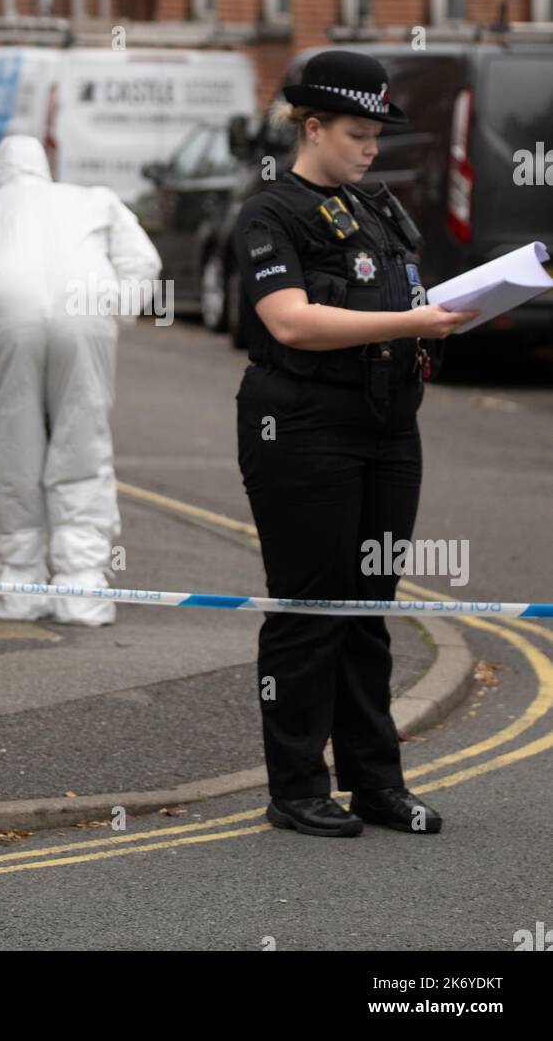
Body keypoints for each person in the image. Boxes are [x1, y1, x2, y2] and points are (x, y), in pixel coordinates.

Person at [233, 50, 478, 838]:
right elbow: (291, 321)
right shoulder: (270, 212)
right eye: (356, 133)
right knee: (311, 611)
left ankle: (375, 782)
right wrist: (414, 322)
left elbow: (407, 300)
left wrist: (448, 312)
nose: (371, 148)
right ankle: (297, 787)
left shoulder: (375, 208)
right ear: (311, 126)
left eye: (376, 133)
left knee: (368, 611)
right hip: (301, 427)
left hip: (385, 428)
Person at [0, 134, 162, 626]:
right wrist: (115, 312)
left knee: (14, 449)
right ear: (45, 167)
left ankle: (19, 586)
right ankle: (82, 589)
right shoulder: (95, 200)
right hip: (86, 311)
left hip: (5, 323)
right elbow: (144, 262)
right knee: (82, 444)